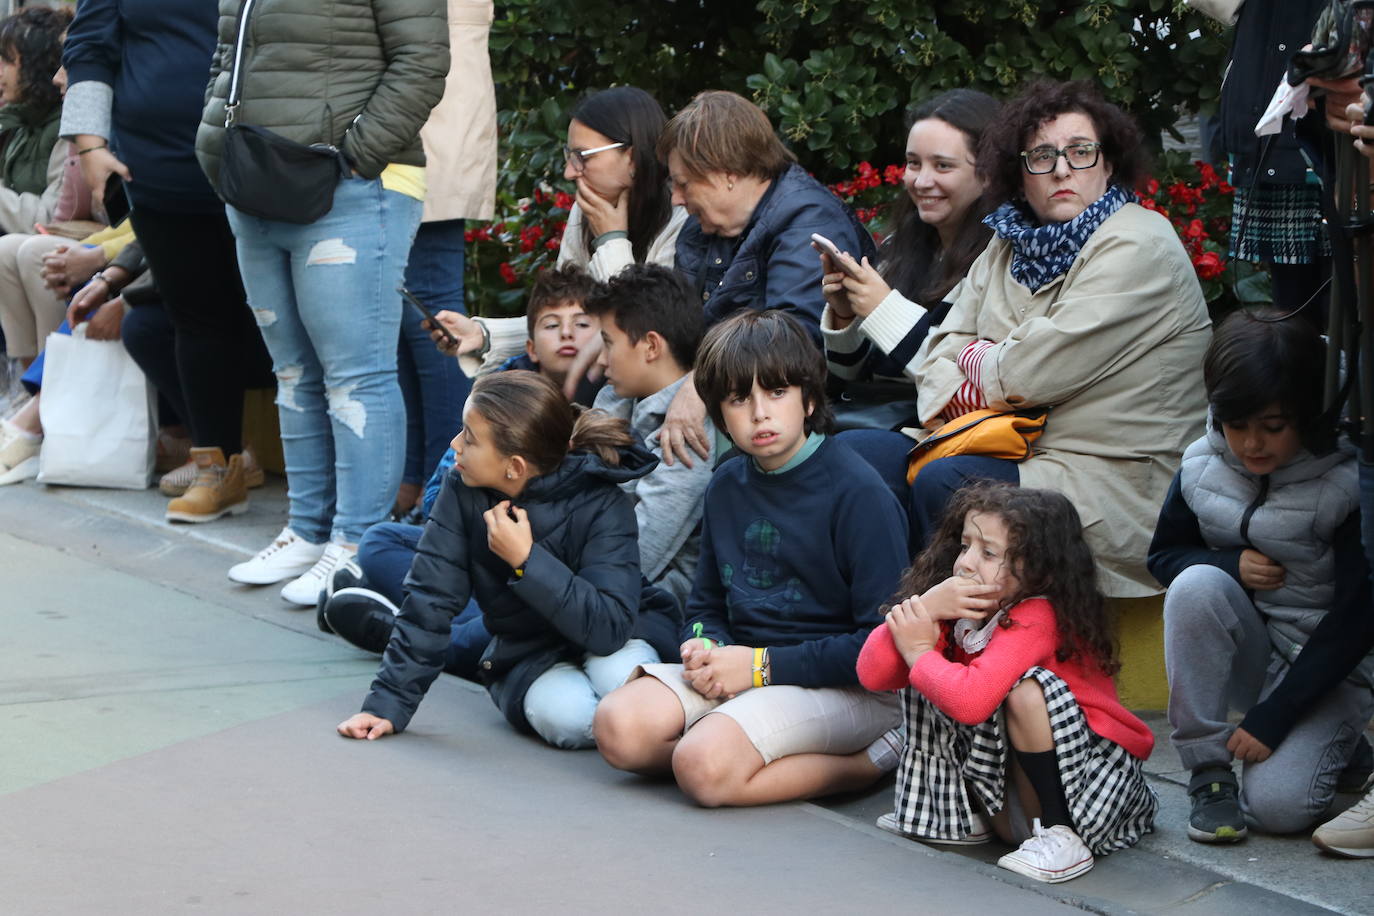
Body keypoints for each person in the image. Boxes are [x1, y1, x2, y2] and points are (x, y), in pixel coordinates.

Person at [592, 310, 908, 807]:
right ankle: (738, 747)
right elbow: (705, 604)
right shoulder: (727, 483)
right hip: (746, 667)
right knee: (619, 728)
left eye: (776, 392)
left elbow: (881, 648)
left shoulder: (858, 491)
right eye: (740, 399)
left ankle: (869, 763)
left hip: (848, 688)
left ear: (808, 398)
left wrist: (760, 668)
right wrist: (703, 646)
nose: (760, 413)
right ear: (719, 414)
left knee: (701, 768)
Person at [910, 80, 1211, 598]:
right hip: (1015, 445)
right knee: (862, 457)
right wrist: (984, 362)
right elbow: (935, 352)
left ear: (1109, 163)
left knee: (950, 484)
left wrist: (984, 361)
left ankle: (964, 643)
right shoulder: (1008, 243)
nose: (1062, 169)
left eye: (1080, 152)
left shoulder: (1138, 243)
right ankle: (885, 636)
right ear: (1018, 174)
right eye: (1042, 156)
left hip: (1118, 481)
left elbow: (1027, 375)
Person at [196, 0, 449, 603]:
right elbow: (230, 54)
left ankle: (356, 544)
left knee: (356, 377)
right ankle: (307, 531)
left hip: (351, 184)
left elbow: (423, 59)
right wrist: (213, 136)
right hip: (258, 176)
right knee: (292, 373)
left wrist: (358, 156)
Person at [337, 371, 668, 750]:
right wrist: (386, 706)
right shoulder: (462, 491)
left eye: (470, 438)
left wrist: (526, 561)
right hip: (529, 651)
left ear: (514, 466)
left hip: (615, 637)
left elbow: (609, 629)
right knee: (570, 719)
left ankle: (655, 730)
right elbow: (430, 600)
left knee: (620, 677)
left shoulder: (602, 502)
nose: (455, 444)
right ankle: (630, 731)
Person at [1149, 308, 1374, 844]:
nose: (1252, 445)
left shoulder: (1349, 483)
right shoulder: (1203, 464)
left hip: (1331, 671)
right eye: (1236, 425)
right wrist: (1232, 566)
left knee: (1276, 812)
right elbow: (1163, 558)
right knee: (1196, 584)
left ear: (1310, 414)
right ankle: (1207, 772)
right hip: (1257, 651)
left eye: (1273, 428)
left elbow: (1356, 621)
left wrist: (1275, 716)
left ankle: (1338, 744)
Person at [858, 484, 1156, 884]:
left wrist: (918, 653)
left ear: (1037, 568)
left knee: (1021, 690)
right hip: (1006, 788)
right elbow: (873, 674)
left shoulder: (1037, 614)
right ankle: (958, 815)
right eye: (965, 546)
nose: (965, 564)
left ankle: (1060, 834)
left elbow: (969, 702)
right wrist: (927, 606)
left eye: (988, 553)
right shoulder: (959, 606)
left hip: (1091, 785)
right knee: (926, 673)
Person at [61, 0, 274, 520]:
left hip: (267, 164)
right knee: (194, 323)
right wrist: (89, 149)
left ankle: (322, 498)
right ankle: (216, 470)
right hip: (157, 173)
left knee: (281, 325)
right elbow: (88, 47)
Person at [654, 90, 876, 468]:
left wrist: (699, 384)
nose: (676, 198)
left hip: (791, 410)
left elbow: (798, 342)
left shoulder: (806, 220)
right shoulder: (701, 227)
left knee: (688, 448)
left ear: (726, 173)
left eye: (684, 183)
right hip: (721, 388)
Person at [423, 86, 686, 380]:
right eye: (569, 155)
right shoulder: (586, 211)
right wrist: (482, 335)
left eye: (582, 156)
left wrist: (612, 240)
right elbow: (569, 318)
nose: (569, 173)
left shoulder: (682, 218)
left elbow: (645, 334)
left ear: (633, 157)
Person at [821, 88, 1001, 502]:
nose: (921, 181)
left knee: (845, 463)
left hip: (940, 434)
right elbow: (849, 375)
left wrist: (884, 310)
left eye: (943, 166)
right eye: (913, 163)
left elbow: (966, 378)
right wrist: (845, 315)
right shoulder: (903, 243)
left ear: (987, 173)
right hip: (875, 417)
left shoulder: (1001, 255)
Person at [393, 0, 498, 518]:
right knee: (411, 321)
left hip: (428, 111)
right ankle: (416, 479)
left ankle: (439, 491)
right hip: (422, 107)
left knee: (434, 321)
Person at [585, 264, 715, 607]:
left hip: (650, 602)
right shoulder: (616, 399)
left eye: (608, 343)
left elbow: (642, 550)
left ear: (651, 346)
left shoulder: (688, 430)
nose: (600, 359)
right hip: (584, 583)